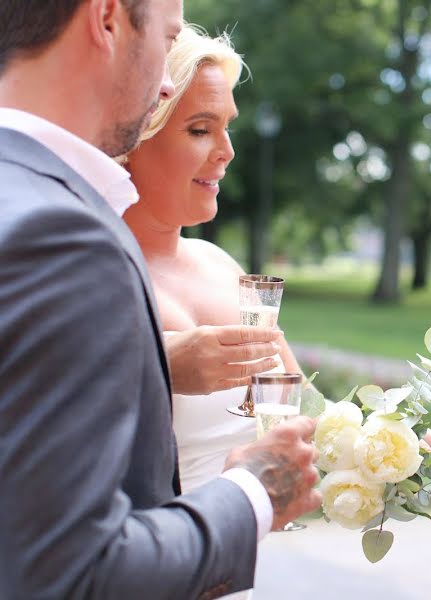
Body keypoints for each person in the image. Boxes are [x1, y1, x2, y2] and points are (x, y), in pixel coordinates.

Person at [0, 1, 320, 597]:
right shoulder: (64, 240)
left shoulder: (217, 266)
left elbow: (295, 410)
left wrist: (398, 444)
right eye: (199, 128)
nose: (163, 84)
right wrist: (250, 493)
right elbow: (67, 568)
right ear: (107, 19)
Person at [123, 25, 305, 493]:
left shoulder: (221, 265)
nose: (227, 152)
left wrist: (414, 449)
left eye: (227, 127)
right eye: (201, 129)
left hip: (239, 553)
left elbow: (308, 415)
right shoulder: (95, 268)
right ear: (135, 134)